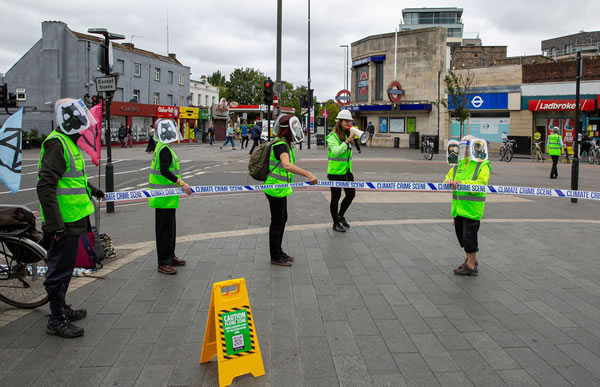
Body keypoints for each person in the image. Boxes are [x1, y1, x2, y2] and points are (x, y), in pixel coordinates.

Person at [37, 98, 105, 338]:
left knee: (66, 268)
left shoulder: (69, 143)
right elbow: (45, 186)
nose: (85, 129)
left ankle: (62, 307)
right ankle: (56, 318)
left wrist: (93, 189)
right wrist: (54, 224)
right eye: (81, 124)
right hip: (62, 222)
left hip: (74, 218)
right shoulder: (58, 144)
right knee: (59, 270)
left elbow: (73, 179)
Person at [265, 115, 318, 266]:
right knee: (277, 222)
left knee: (282, 219)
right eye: (294, 129)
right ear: (288, 130)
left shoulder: (282, 143)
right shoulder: (281, 145)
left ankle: (278, 251)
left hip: (279, 188)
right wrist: (308, 174)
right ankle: (275, 256)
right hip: (275, 189)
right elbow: (287, 165)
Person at [149, 119, 193, 275]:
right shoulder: (164, 149)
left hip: (167, 197)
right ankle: (163, 262)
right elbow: (164, 171)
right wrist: (181, 183)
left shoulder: (162, 147)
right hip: (163, 197)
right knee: (164, 231)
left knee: (170, 230)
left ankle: (170, 256)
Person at [443, 135, 491, 276]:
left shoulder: (482, 164)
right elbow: (448, 176)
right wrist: (448, 181)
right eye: (462, 148)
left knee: (469, 237)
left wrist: (463, 184)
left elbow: (482, 183)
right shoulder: (459, 164)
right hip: (458, 208)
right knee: (462, 237)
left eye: (467, 148)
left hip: (471, 209)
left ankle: (470, 265)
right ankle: (470, 260)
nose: (464, 151)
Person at [327, 110, 356, 233]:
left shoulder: (346, 134)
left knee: (351, 194)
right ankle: (335, 223)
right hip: (335, 172)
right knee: (336, 197)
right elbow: (337, 151)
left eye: (350, 121)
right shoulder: (332, 136)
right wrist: (347, 142)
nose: (348, 123)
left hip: (347, 172)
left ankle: (340, 215)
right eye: (346, 121)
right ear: (340, 121)